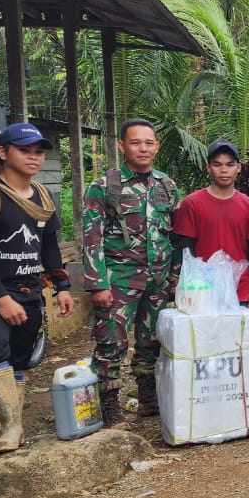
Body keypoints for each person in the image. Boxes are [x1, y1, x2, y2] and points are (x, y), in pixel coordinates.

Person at [0, 123, 75, 453]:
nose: (33, 157)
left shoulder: (42, 196)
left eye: (38, 151)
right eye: (24, 150)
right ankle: (12, 428)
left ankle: (5, 429)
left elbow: (49, 247)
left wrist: (62, 286)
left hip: (28, 292)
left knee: (19, 360)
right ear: (3, 153)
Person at [82, 118, 181, 425]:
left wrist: (176, 276)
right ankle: (109, 412)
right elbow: (91, 237)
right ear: (122, 146)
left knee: (152, 342)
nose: (143, 148)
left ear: (157, 147)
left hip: (158, 280)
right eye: (136, 143)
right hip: (119, 281)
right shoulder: (105, 186)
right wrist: (97, 284)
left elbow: (176, 236)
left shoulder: (167, 186)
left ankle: (149, 402)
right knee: (112, 343)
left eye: (149, 143)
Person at [172, 139, 249, 308]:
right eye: (217, 164)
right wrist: (186, 283)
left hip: (240, 290)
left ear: (238, 167)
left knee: (238, 334)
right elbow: (186, 248)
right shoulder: (192, 203)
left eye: (229, 164)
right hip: (202, 289)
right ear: (208, 167)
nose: (224, 170)